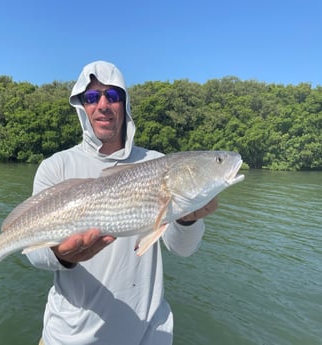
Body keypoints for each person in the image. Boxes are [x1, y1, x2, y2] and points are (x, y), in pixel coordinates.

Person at [27, 61, 218, 345]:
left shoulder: (156, 163)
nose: (102, 104)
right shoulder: (55, 168)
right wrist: (63, 256)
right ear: (82, 106)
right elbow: (33, 253)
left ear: (124, 103)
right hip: (68, 337)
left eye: (112, 96)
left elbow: (182, 249)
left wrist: (188, 218)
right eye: (92, 97)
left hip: (147, 335)